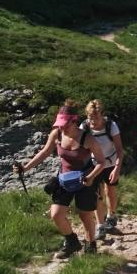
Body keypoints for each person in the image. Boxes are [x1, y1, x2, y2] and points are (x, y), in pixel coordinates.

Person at [15, 101, 107, 259]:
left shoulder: (87, 138)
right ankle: (72, 242)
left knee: (85, 215)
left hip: (85, 179)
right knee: (56, 214)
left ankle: (90, 246)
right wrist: (25, 168)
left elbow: (101, 161)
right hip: (64, 178)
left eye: (65, 124)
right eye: (60, 124)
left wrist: (91, 177)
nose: (62, 127)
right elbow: (44, 152)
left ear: (74, 121)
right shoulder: (56, 134)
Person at [82, 100, 125, 242]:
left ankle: (111, 216)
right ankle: (100, 225)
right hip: (94, 165)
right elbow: (81, 148)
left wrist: (117, 169)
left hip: (111, 163)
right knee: (97, 194)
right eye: (90, 117)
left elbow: (119, 149)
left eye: (96, 117)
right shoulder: (84, 127)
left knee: (110, 191)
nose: (93, 121)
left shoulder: (111, 125)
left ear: (102, 115)